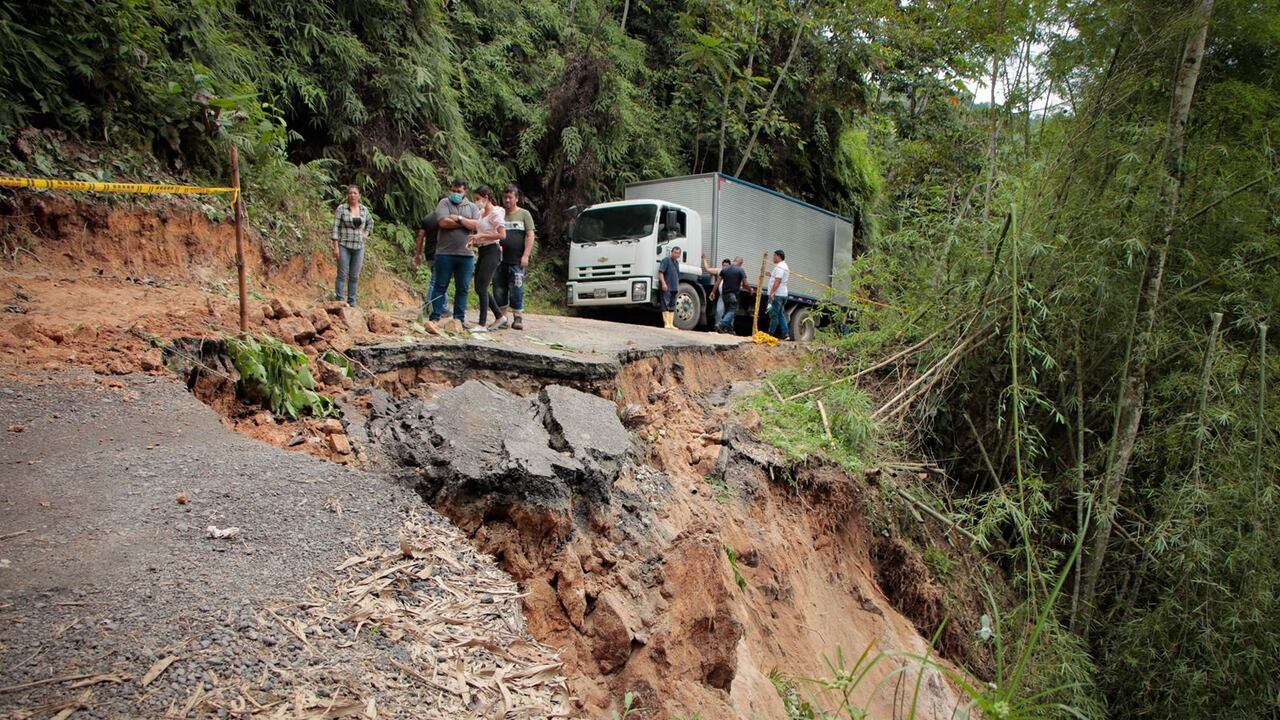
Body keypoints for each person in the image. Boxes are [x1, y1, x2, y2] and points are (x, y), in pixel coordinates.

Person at [428, 178, 480, 326]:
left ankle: (459, 320)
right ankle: (435, 317)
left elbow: (477, 225)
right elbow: (443, 222)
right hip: (445, 253)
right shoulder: (444, 203)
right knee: (440, 286)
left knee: (462, 288)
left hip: (466, 255)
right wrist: (465, 224)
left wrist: (457, 218)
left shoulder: (472, 207)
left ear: (465, 191)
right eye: (454, 191)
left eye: (459, 191)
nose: (456, 194)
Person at [494, 184, 536, 330]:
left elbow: (530, 235)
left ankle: (518, 317)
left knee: (517, 288)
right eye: (505, 197)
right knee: (499, 288)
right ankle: (502, 318)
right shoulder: (498, 213)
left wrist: (526, 255)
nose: (507, 200)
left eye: (510, 197)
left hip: (517, 260)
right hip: (498, 259)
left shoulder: (524, 214)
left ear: (516, 198)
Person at [468, 186, 506, 332]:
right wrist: (474, 240)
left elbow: (502, 235)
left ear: (486, 198)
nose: (476, 201)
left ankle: (482, 324)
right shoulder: (481, 213)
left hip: (492, 251)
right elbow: (481, 232)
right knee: (478, 287)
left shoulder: (496, 213)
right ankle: (499, 316)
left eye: (478, 199)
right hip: (483, 249)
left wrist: (481, 237)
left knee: (482, 287)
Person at [332, 184, 372, 306]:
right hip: (344, 245)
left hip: (359, 247)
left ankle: (352, 301)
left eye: (355, 193)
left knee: (354, 276)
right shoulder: (342, 209)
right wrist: (335, 247)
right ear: (347, 195)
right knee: (342, 274)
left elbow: (370, 222)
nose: (353, 195)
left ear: (359, 196)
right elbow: (335, 228)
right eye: (350, 193)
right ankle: (339, 300)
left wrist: (366, 233)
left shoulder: (364, 210)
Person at [718, 256, 747, 333]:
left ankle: (728, 329)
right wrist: (750, 289)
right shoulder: (740, 270)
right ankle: (721, 324)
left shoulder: (725, 269)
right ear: (740, 263)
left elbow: (718, 281)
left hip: (724, 295)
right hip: (733, 295)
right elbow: (745, 284)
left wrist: (713, 292)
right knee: (732, 310)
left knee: (727, 311)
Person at [767, 249, 790, 340]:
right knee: (780, 314)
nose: (773, 258)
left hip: (778, 295)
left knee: (774, 314)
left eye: (774, 256)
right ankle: (785, 334)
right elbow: (777, 278)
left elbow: (778, 280)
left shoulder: (780, 266)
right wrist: (770, 275)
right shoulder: (783, 266)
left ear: (778, 256)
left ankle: (770, 333)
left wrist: (772, 293)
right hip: (782, 294)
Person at [658, 246, 682, 329]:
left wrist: (677, 286)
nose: (676, 254)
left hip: (674, 287)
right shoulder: (666, 260)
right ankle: (666, 323)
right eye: (674, 252)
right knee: (665, 304)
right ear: (671, 252)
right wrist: (663, 283)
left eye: (678, 253)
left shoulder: (677, 263)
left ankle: (671, 324)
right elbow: (661, 272)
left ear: (680, 255)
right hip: (666, 286)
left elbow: (677, 276)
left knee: (672, 305)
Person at [710, 258, 731, 329]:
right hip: (721, 296)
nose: (725, 267)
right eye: (724, 265)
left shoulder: (732, 273)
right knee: (719, 312)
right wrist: (713, 292)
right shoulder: (722, 273)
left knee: (728, 313)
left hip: (729, 297)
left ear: (729, 266)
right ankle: (717, 327)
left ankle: (727, 328)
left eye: (726, 265)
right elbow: (717, 282)